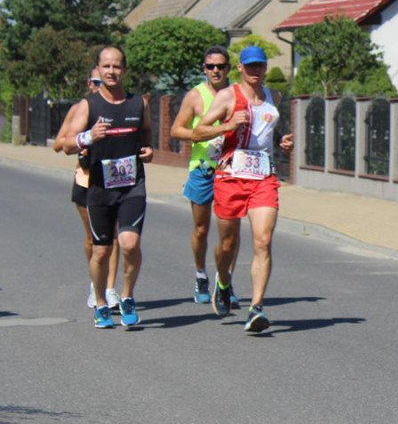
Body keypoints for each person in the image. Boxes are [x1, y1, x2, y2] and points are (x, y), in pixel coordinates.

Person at [194, 45, 293, 333]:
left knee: (263, 240)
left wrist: (281, 143)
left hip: (263, 178)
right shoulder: (227, 96)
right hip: (230, 177)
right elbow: (199, 131)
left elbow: (266, 136)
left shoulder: (274, 97)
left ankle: (256, 307)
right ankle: (223, 281)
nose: (255, 71)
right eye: (249, 66)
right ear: (240, 68)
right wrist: (227, 124)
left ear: (264, 68)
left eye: (259, 66)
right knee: (227, 246)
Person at [62, 46, 153, 329]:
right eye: (106, 67)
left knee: (130, 243)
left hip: (132, 185)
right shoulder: (88, 106)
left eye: (117, 66)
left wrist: (148, 149)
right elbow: (65, 144)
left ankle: (127, 296)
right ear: (98, 71)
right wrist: (87, 137)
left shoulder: (139, 103)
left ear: (124, 70)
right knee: (101, 251)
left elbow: (147, 132)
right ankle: (100, 302)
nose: (112, 71)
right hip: (100, 188)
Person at [169, 46, 239, 306]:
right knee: (201, 228)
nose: (216, 71)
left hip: (231, 168)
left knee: (231, 231)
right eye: (211, 67)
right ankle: (200, 274)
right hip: (203, 168)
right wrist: (204, 134)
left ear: (229, 68)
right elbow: (176, 130)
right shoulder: (195, 96)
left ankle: (226, 281)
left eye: (221, 66)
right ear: (204, 69)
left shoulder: (238, 94)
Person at [54, 69, 121, 311]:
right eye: (95, 82)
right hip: (86, 180)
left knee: (112, 235)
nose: (98, 85)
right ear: (89, 83)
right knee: (93, 237)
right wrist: (83, 140)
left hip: (113, 179)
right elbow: (60, 144)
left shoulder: (119, 107)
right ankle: (96, 284)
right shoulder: (79, 109)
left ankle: (110, 289)